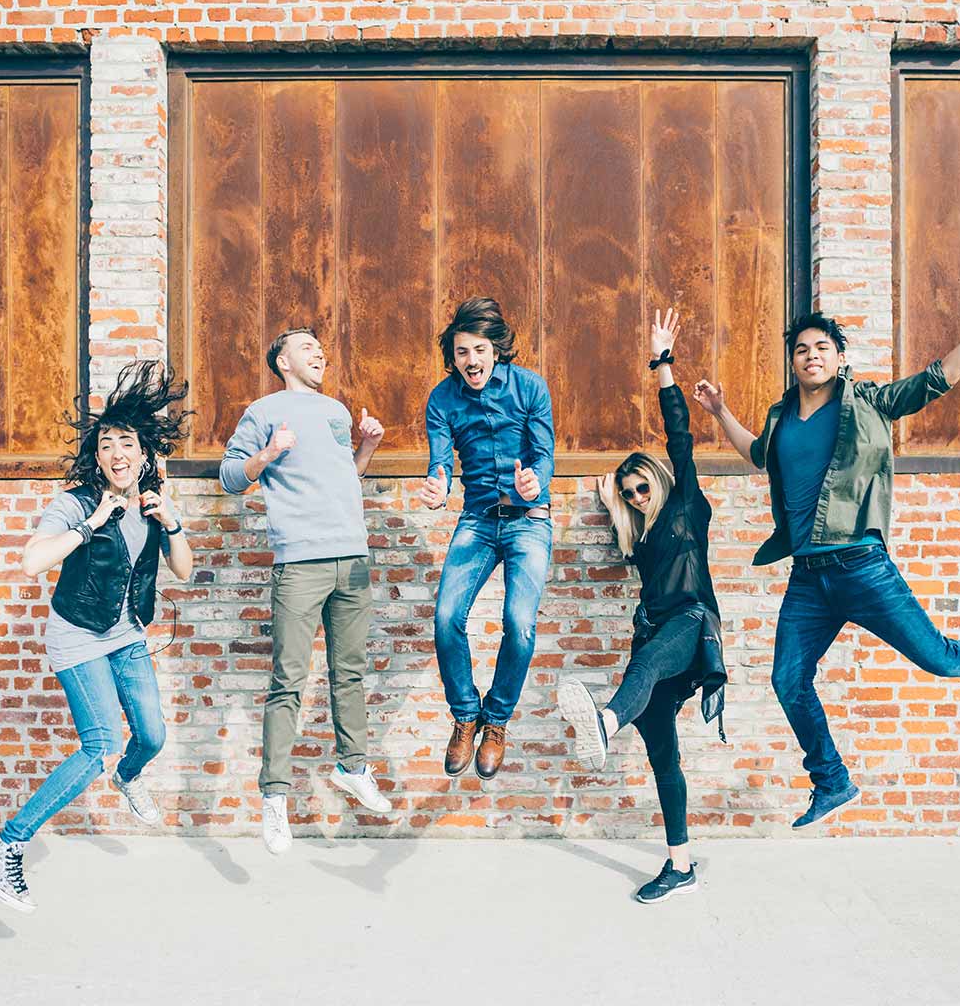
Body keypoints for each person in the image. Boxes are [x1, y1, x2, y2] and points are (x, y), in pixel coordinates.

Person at [693, 280, 960, 828]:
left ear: (839, 357)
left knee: (937, 658)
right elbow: (760, 456)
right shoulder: (781, 415)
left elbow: (939, 379)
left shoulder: (869, 402)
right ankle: (832, 781)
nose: (811, 356)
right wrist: (721, 413)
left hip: (862, 566)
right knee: (788, 679)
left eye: (821, 347)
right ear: (792, 362)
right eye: (801, 349)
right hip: (809, 578)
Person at [0, 362, 194, 914]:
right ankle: (7, 844)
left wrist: (170, 522)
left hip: (126, 635)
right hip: (78, 638)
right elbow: (31, 563)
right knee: (99, 745)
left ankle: (131, 777)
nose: (117, 453)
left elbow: (186, 571)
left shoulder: (153, 506)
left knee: (150, 735)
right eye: (107, 445)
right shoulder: (76, 504)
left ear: (145, 455)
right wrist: (90, 523)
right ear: (97, 456)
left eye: (128, 443)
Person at [557, 308, 726, 904]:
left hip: (690, 624)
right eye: (629, 492)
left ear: (658, 478)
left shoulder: (687, 507)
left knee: (648, 665)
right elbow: (628, 525)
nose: (636, 493)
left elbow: (679, 432)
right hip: (654, 628)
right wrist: (612, 507)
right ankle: (680, 865)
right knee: (661, 749)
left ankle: (603, 723)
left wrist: (662, 365)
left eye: (641, 485)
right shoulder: (643, 537)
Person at [220, 328, 390, 856]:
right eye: (307, 347)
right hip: (300, 561)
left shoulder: (337, 409)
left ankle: (353, 767)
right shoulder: (264, 409)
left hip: (353, 557)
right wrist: (269, 452)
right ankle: (274, 798)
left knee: (351, 672)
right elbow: (229, 475)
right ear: (283, 360)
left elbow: (346, 477)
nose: (319, 352)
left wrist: (368, 445)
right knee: (288, 680)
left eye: (320, 347)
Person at [421, 297, 555, 780]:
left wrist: (534, 481)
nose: (471, 361)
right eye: (461, 352)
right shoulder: (443, 398)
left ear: (496, 349)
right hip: (477, 519)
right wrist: (437, 483)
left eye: (479, 349)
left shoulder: (529, 387)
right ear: (452, 357)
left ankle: (496, 720)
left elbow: (544, 455)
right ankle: (465, 714)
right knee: (445, 617)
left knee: (518, 622)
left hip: (529, 519)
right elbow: (440, 460)